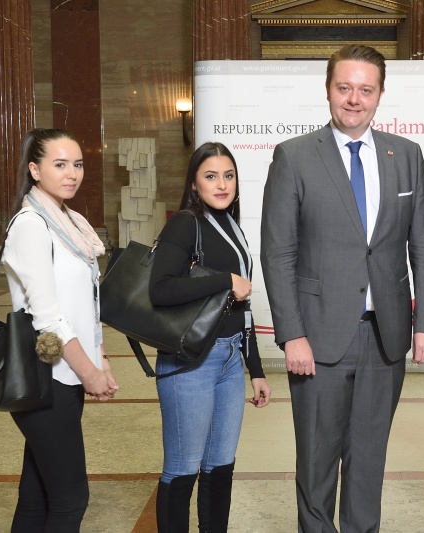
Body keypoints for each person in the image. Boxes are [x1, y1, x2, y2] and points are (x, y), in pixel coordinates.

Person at [261, 44, 424, 532]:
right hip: (317, 339)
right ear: (328, 90)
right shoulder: (294, 157)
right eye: (345, 88)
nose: (354, 99)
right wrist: (291, 334)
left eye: (366, 89)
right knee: (317, 462)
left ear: (381, 94)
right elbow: (278, 253)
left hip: (385, 337)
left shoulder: (405, 155)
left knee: (368, 463)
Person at [149, 142, 271, 533]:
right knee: (182, 469)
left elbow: (243, 308)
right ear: (194, 183)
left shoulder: (232, 225)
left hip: (230, 359)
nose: (222, 184)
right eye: (211, 176)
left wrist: (255, 369)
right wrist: (224, 281)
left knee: (220, 467)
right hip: (191, 361)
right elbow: (160, 289)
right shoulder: (187, 222)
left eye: (229, 175)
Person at [3, 128, 118, 532]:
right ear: (34, 170)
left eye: (78, 164)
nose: (72, 173)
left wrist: (99, 359)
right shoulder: (31, 225)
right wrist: (89, 373)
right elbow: (48, 316)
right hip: (44, 378)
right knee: (71, 500)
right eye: (59, 164)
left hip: (65, 377)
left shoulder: (71, 222)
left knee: (37, 497)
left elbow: (86, 304)